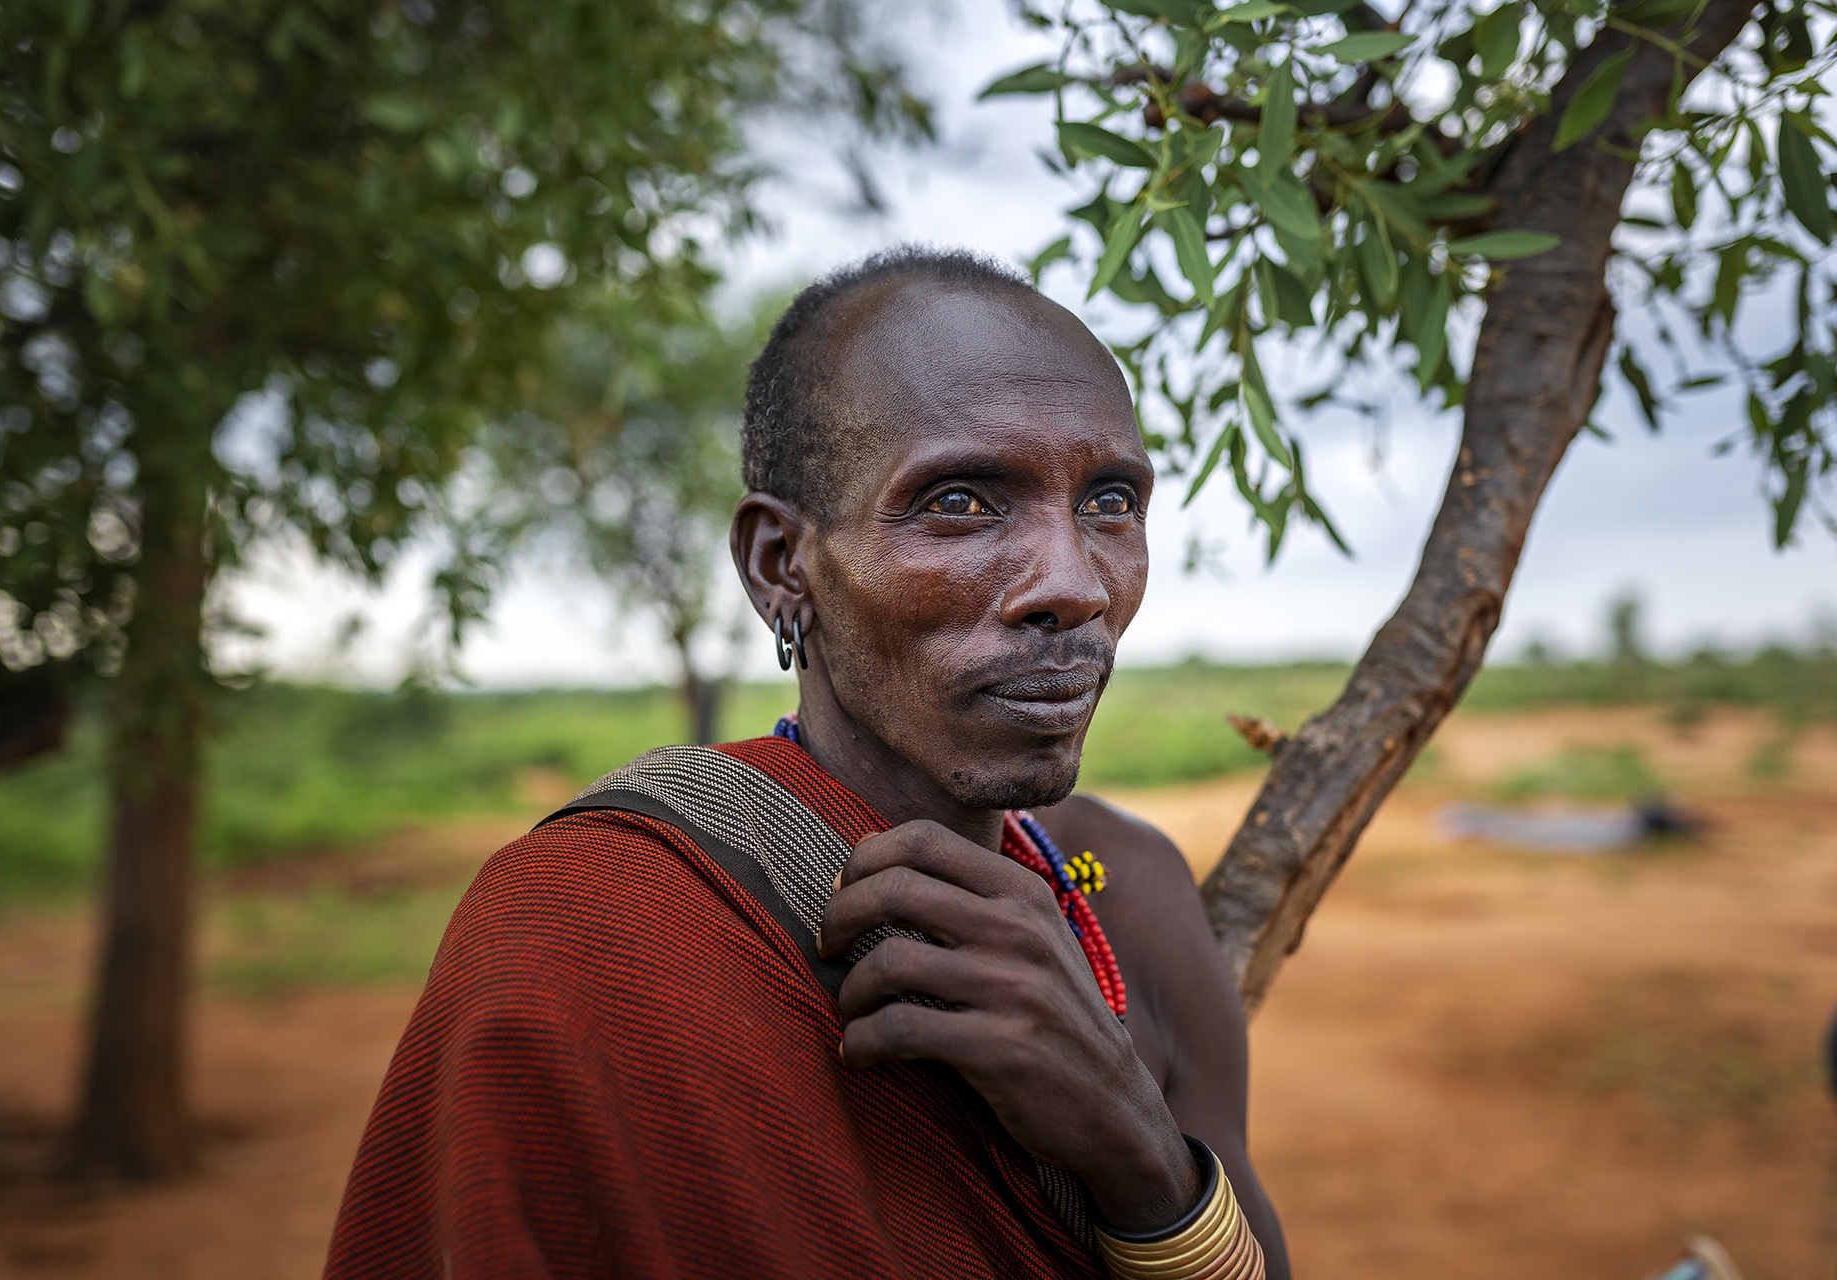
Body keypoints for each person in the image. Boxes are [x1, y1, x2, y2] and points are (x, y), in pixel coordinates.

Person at [325, 246, 1288, 1280]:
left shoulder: (1129, 893)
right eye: (961, 501)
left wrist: (1138, 1151)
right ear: (782, 564)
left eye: (1109, 501)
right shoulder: (589, 923)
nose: (1075, 583)